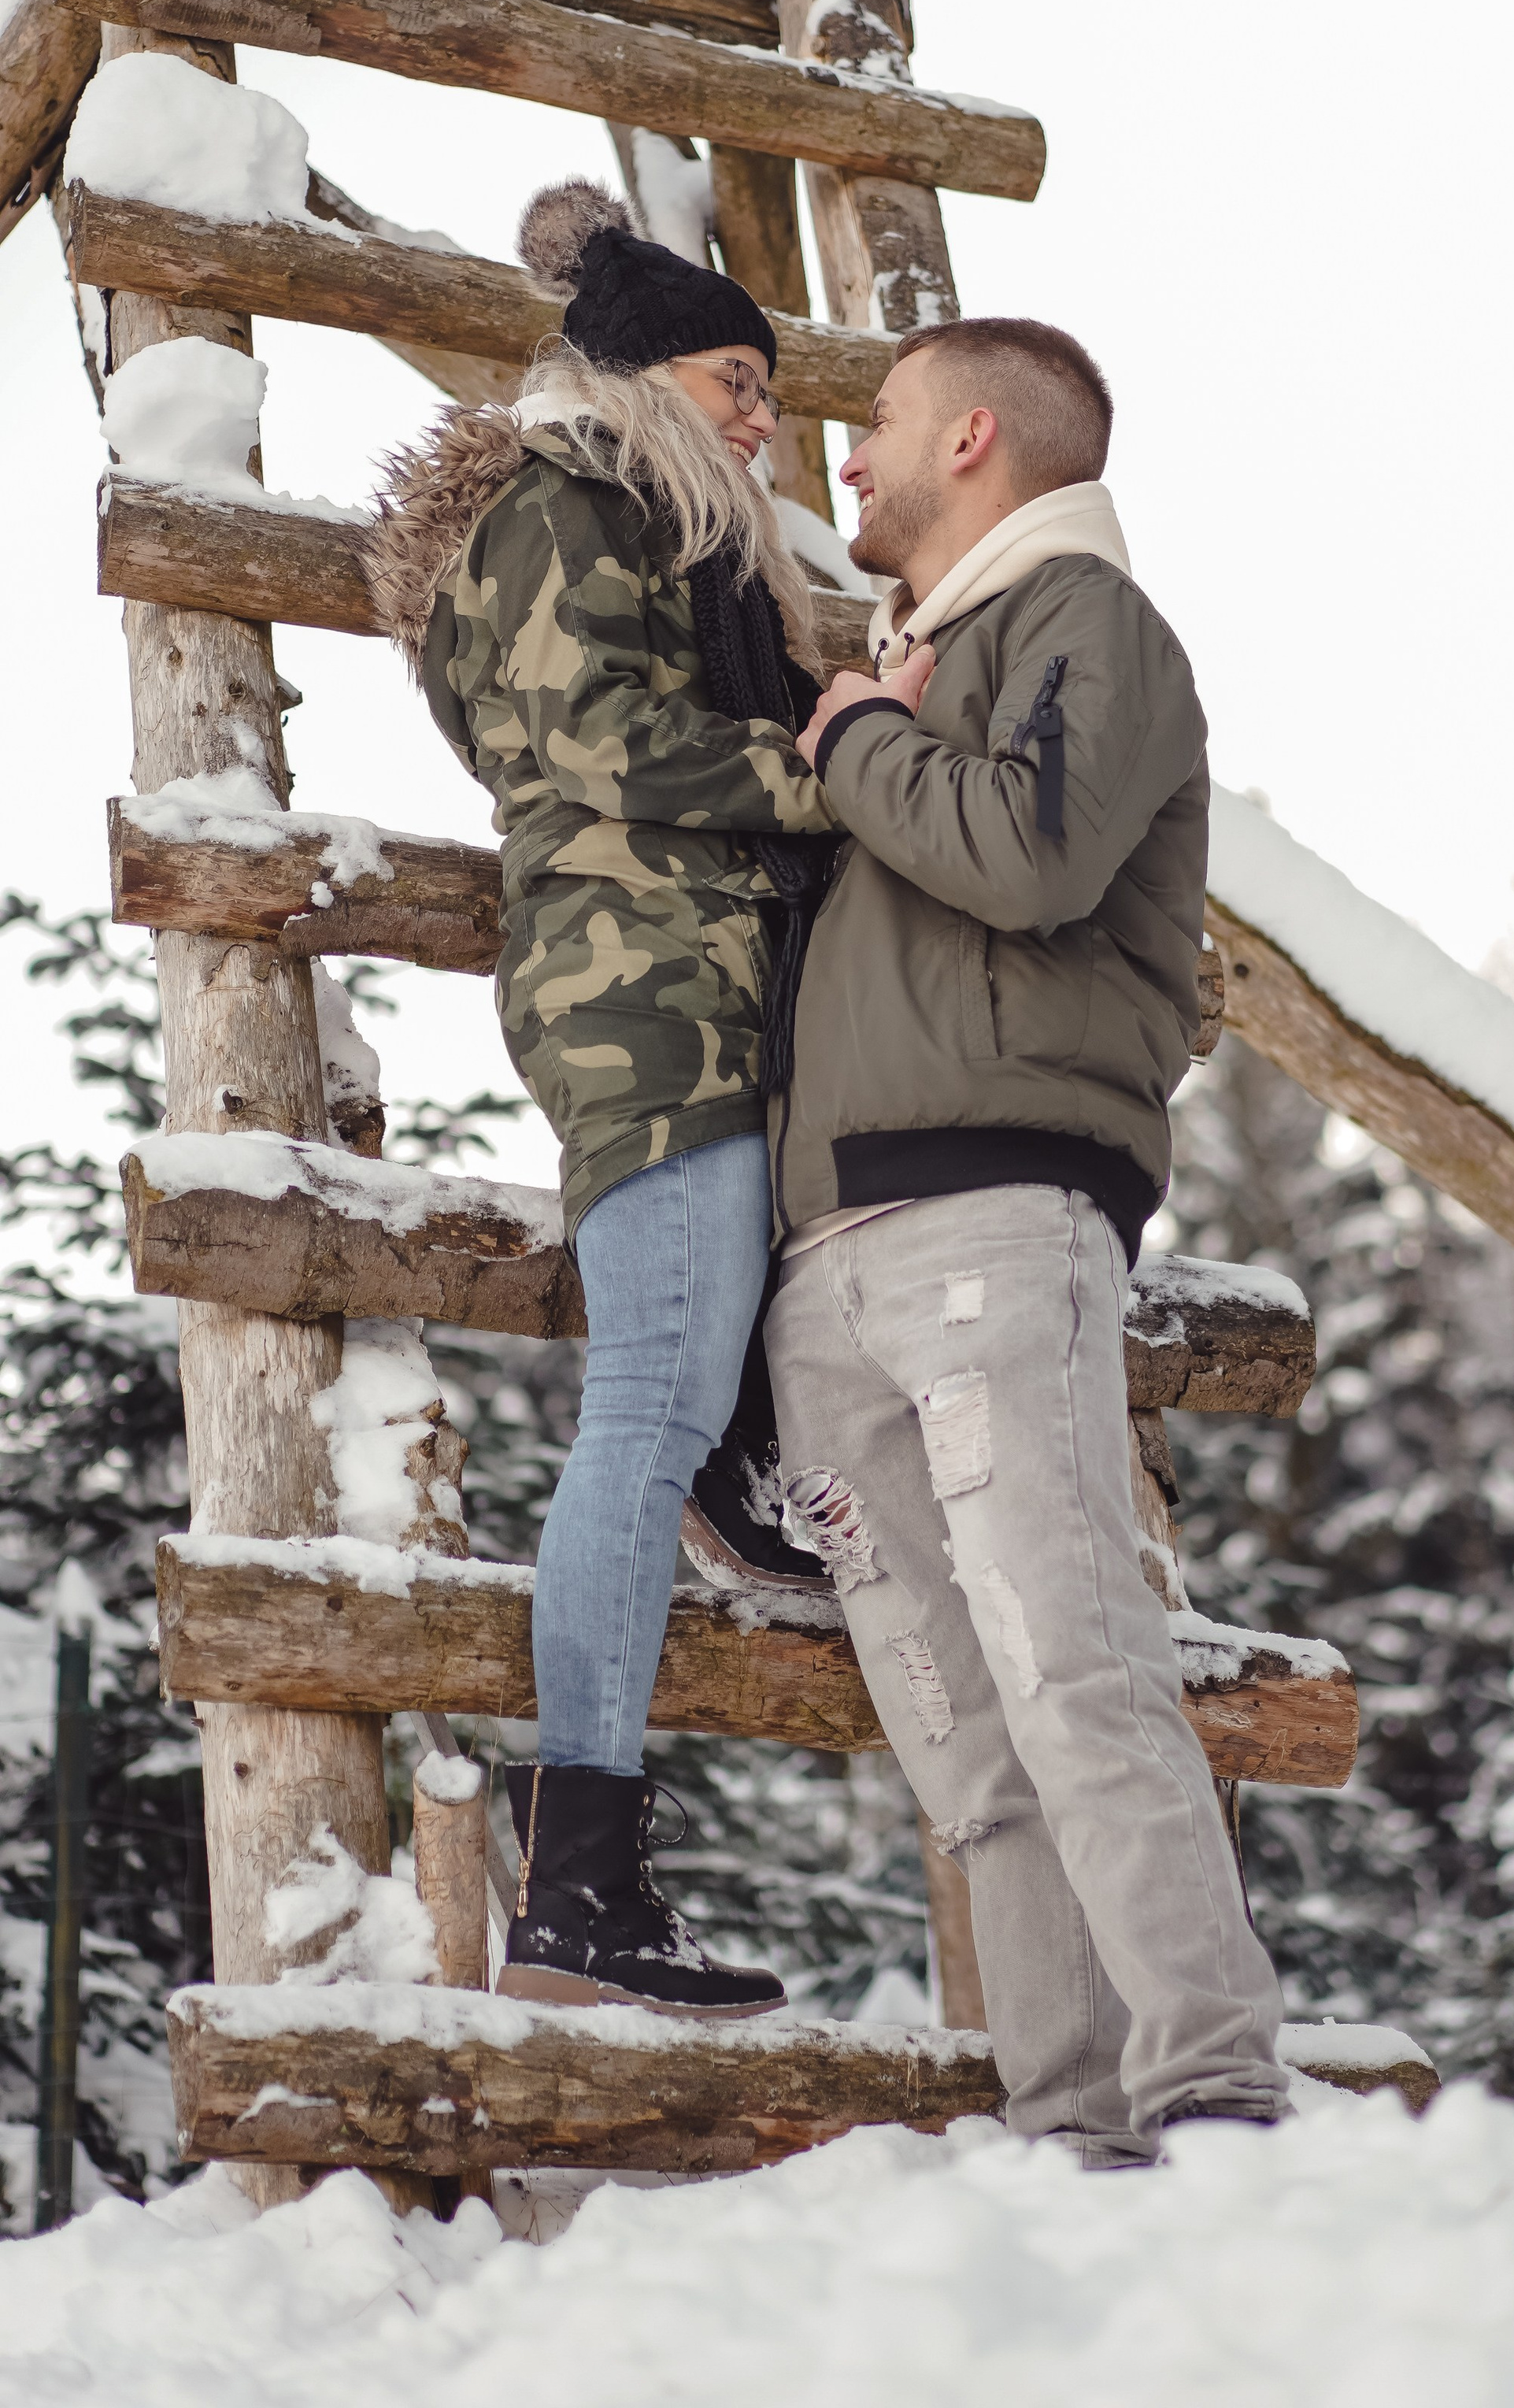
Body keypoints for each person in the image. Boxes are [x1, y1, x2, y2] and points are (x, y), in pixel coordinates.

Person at [765, 316, 1287, 2164]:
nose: (849, 459)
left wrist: (863, 745)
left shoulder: (1088, 624)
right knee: (961, 1743)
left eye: (881, 424)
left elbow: (1035, 852)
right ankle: (1074, 2141)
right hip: (831, 1278)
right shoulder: (919, 662)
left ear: (972, 436)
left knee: (1071, 1661)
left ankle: (1211, 2089)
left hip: (993, 1222)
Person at [367, 176, 838, 2021]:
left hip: (695, 988)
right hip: (638, 994)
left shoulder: (646, 526)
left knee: (674, 1395)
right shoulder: (559, 507)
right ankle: (576, 1896)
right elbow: (592, 738)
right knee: (642, 1403)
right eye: (738, 383)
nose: (761, 422)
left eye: (773, 396)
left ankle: (592, 1882)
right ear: (640, 375)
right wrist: (827, 761)